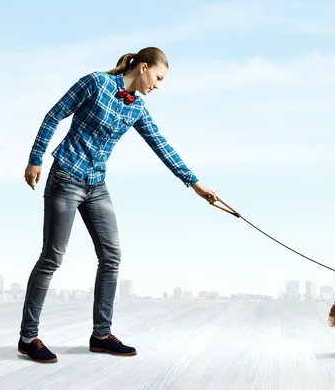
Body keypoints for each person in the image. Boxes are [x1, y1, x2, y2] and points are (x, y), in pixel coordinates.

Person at [18, 47, 219, 363]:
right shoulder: (95, 83)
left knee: (111, 256)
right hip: (66, 177)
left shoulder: (136, 107)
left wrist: (195, 184)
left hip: (96, 185)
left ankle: (102, 335)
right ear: (142, 67)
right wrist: (35, 158)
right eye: (158, 77)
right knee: (52, 257)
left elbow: (161, 145)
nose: (158, 86)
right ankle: (28, 338)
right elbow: (54, 114)